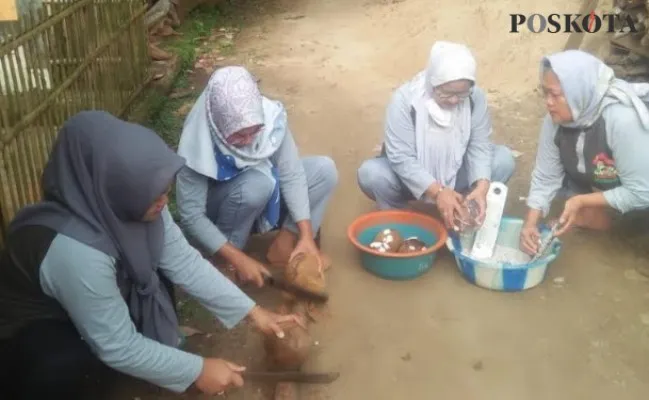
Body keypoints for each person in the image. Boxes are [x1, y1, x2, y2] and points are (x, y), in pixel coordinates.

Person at [0, 111, 302, 399]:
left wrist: (253, 312)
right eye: (154, 194)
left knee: (155, 273)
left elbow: (184, 263)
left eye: (164, 190)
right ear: (113, 186)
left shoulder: (132, 202)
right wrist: (197, 370)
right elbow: (117, 345)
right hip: (36, 329)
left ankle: (142, 361)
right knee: (64, 364)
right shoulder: (76, 252)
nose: (163, 202)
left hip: (87, 297)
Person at [175, 66, 338, 284]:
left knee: (323, 170)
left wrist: (306, 235)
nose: (249, 140)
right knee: (257, 184)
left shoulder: (268, 119)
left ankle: (285, 245)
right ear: (219, 125)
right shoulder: (197, 142)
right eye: (240, 134)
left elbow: (292, 173)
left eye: (254, 131)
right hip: (220, 210)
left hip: (259, 195)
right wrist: (239, 258)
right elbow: (191, 215)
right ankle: (227, 259)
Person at [356, 41, 516, 229]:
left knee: (503, 160)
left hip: (457, 172)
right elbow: (401, 158)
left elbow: (479, 145)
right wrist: (438, 191)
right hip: (411, 180)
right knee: (372, 174)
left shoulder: (474, 99)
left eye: (462, 94)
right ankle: (400, 219)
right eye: (446, 94)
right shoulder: (406, 101)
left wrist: (482, 186)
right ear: (433, 83)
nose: (455, 100)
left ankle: (464, 213)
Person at [520, 50, 649, 255]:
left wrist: (581, 201)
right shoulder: (556, 118)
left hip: (640, 186)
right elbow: (546, 175)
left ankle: (618, 220)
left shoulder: (622, 119)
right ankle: (598, 212)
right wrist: (530, 223)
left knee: (637, 230)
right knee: (572, 197)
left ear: (578, 92)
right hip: (599, 176)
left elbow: (642, 191)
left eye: (555, 95)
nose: (548, 102)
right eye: (545, 93)